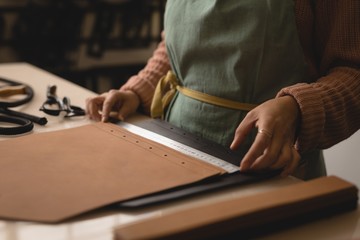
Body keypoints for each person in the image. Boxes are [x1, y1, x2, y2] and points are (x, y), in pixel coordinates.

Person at [86, 0, 360, 180]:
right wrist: (138, 90)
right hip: (171, 153)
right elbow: (179, 43)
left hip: (268, 170)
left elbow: (353, 70)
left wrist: (296, 109)